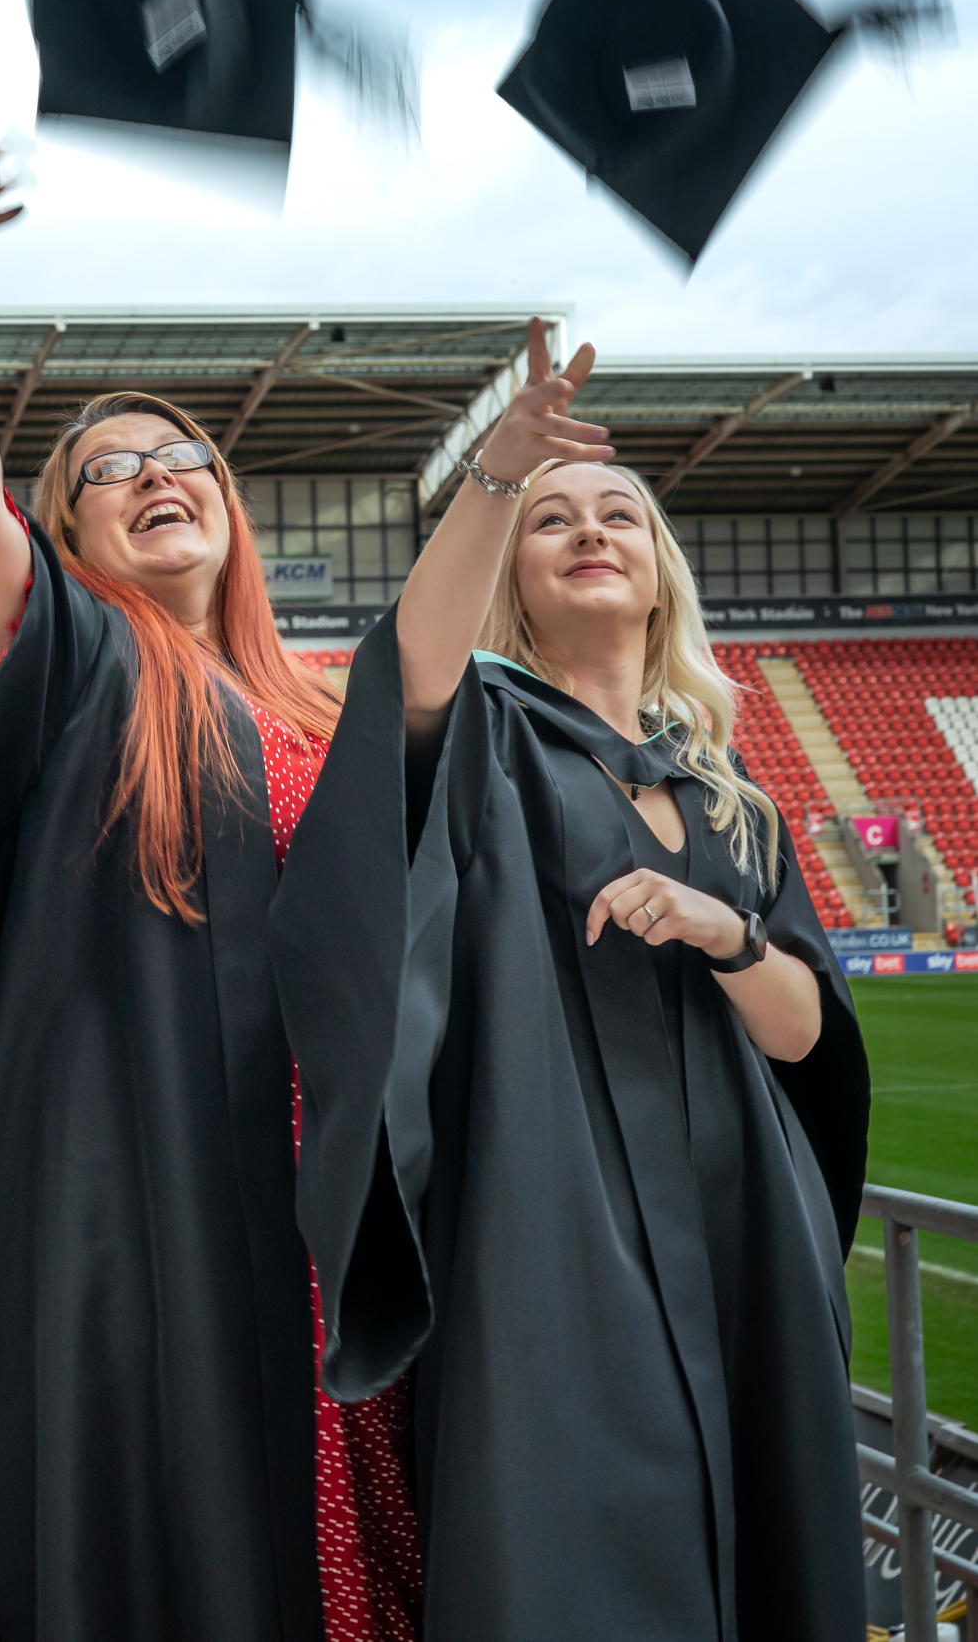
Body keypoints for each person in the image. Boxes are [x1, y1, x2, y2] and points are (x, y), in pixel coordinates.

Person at [0, 126, 427, 1642]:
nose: (155, 475)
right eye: (107, 471)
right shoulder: (75, 663)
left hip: (333, 1196)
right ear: (66, 534)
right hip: (151, 1190)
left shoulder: (324, 706)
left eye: (182, 456)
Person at [272, 319, 871, 1642]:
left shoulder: (740, 802)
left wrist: (726, 932)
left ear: (661, 577)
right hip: (556, 1213)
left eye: (619, 517)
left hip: (742, 1223)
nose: (590, 531)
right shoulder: (487, 740)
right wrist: (498, 470)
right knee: (574, 1539)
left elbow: (803, 1036)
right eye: (555, 523)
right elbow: (408, 686)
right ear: (516, 581)